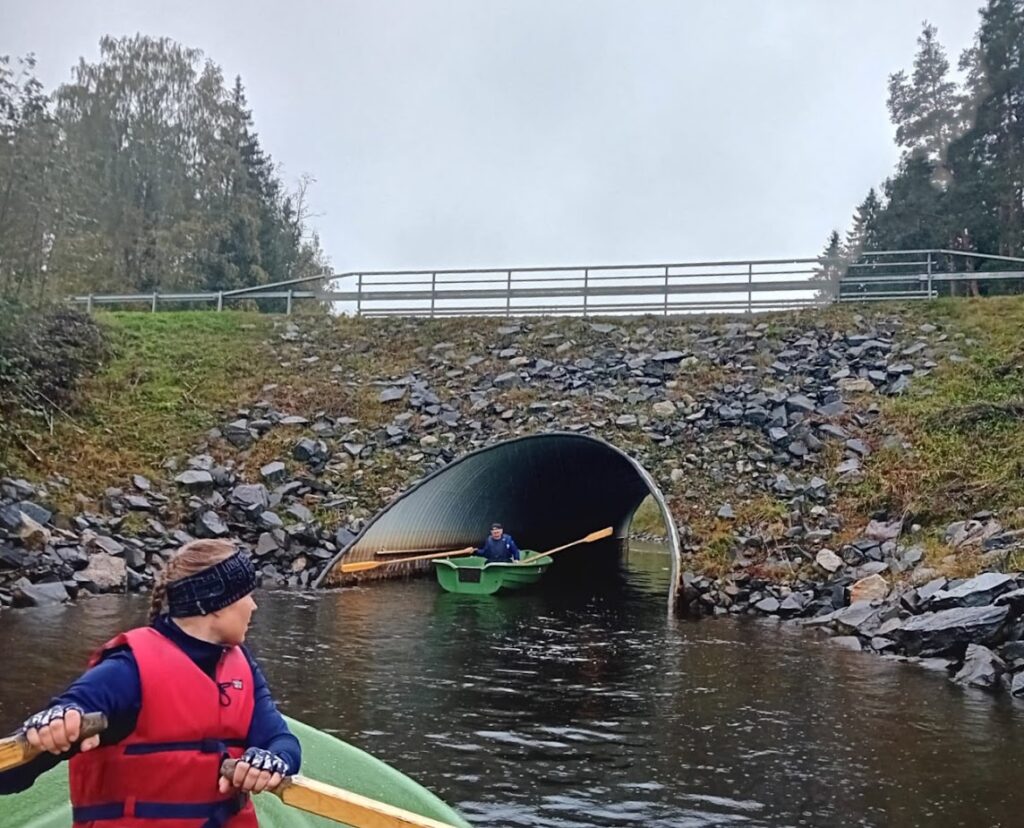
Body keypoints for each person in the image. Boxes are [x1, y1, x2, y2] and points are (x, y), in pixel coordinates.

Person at [0, 539, 300, 826]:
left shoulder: (242, 665)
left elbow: (282, 741)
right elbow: (15, 770)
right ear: (217, 604)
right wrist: (55, 724)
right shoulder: (126, 671)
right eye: (247, 595)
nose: (253, 606)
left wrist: (270, 761)